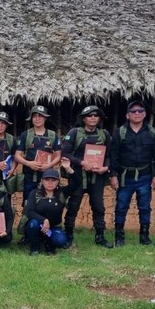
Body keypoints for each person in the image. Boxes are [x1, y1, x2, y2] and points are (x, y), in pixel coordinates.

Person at [109, 101, 155, 246]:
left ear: (144, 114)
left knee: (144, 207)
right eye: (133, 111)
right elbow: (114, 155)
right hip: (125, 177)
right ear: (127, 115)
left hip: (145, 176)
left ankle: (144, 237)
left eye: (140, 111)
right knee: (121, 207)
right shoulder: (120, 132)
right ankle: (119, 238)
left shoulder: (151, 132)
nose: (137, 114)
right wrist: (113, 175)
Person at [61, 105, 113, 248]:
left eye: (96, 116)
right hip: (77, 176)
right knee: (73, 206)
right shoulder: (74, 133)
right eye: (89, 116)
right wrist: (82, 162)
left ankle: (100, 236)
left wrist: (106, 168)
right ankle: (69, 235)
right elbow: (65, 153)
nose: (93, 118)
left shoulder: (105, 135)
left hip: (97, 177)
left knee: (98, 207)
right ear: (84, 119)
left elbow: (109, 155)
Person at [14, 105, 61, 202]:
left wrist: (49, 165)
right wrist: (29, 164)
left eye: (40, 116)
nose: (37, 119)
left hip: (48, 177)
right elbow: (17, 155)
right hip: (29, 176)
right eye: (35, 116)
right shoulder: (25, 135)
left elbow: (58, 155)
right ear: (31, 118)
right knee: (28, 202)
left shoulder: (52, 135)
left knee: (47, 202)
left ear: (45, 118)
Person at [23, 168, 73, 255]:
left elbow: (77, 183)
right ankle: (34, 247)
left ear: (58, 181)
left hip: (53, 228)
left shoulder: (62, 193)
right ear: (42, 181)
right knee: (33, 223)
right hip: (39, 226)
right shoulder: (35, 193)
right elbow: (29, 212)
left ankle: (48, 243)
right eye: (47, 179)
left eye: (53, 180)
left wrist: (69, 169)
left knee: (61, 241)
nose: (50, 182)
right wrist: (44, 220)